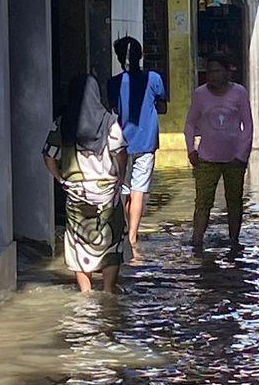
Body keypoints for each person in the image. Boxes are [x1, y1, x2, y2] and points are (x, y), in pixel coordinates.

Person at [44, 74, 129, 293]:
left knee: (78, 241)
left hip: (76, 194)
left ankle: (86, 292)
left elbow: (48, 155)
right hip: (107, 193)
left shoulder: (62, 123)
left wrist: (60, 178)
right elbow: (120, 152)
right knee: (111, 240)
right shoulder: (109, 121)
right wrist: (120, 177)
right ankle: (109, 289)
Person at [184, 52, 252, 251]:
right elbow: (189, 124)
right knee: (202, 203)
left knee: (235, 202)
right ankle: (197, 242)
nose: (212, 75)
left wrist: (242, 155)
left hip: (234, 159)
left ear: (227, 72)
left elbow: (247, 125)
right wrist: (191, 149)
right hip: (206, 159)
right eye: (209, 71)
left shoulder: (239, 93)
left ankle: (234, 242)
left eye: (216, 71)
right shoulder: (200, 94)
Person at [109, 35, 168, 260]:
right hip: (146, 141)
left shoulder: (113, 82)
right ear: (141, 55)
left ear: (118, 57)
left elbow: (112, 108)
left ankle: (123, 233)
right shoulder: (153, 79)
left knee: (122, 188)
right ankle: (133, 236)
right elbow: (162, 106)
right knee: (139, 189)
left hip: (121, 143)